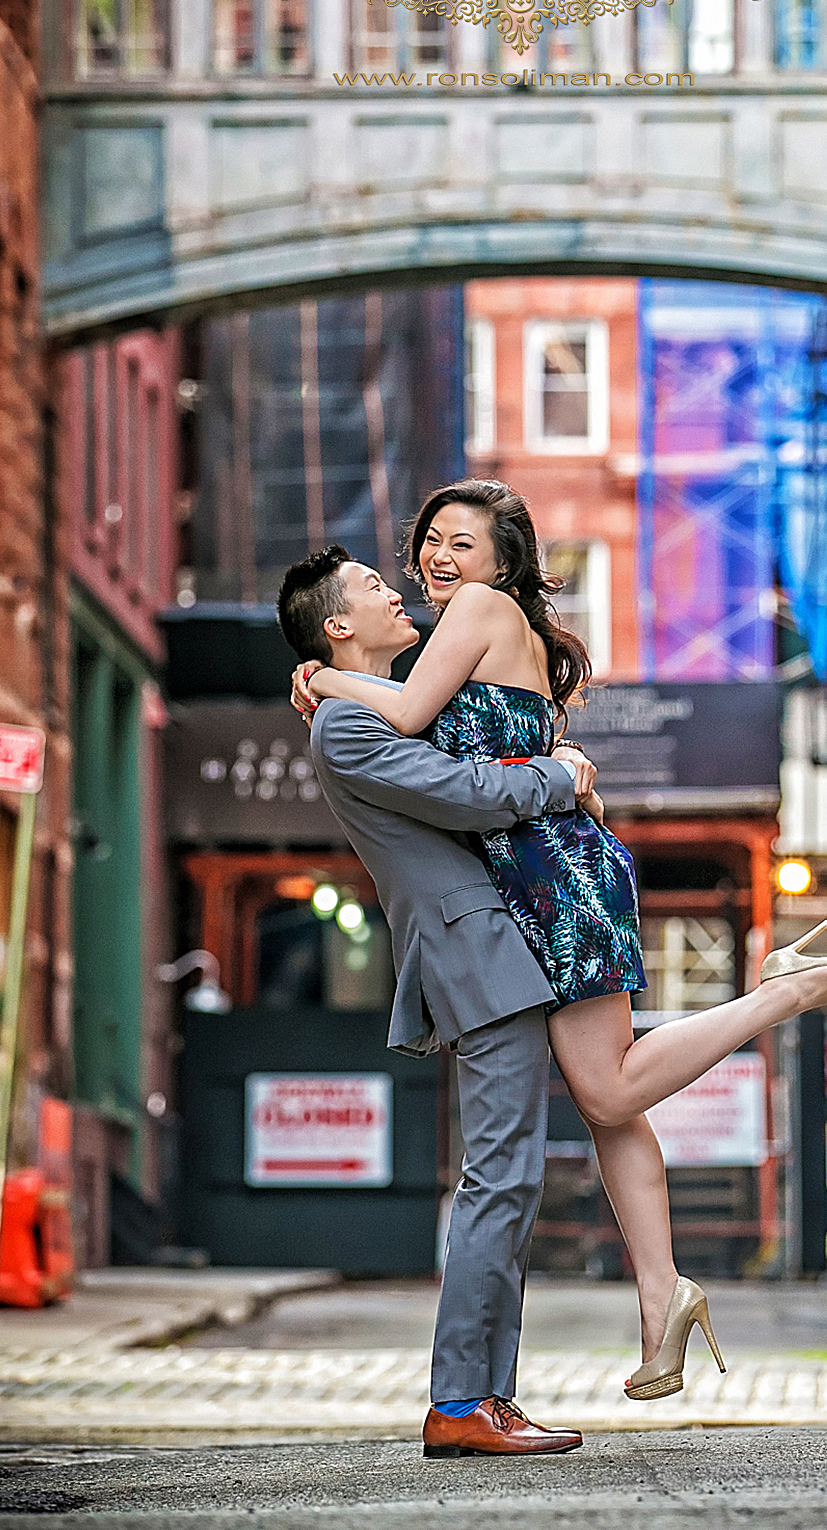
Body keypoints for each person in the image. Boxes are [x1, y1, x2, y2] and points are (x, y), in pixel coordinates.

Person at [290, 480, 827, 1402]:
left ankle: (785, 989)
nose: (438, 560)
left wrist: (326, 676)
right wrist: (559, 773)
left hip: (553, 878)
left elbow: (412, 725)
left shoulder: (477, 614)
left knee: (608, 1085)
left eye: (463, 543)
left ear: (502, 562)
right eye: (429, 544)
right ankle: (662, 1296)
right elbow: (449, 738)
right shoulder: (468, 633)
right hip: (536, 875)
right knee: (611, 1106)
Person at [276, 544, 592, 1460]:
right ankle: (460, 1400)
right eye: (375, 586)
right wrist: (561, 775)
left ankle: (487, 1396)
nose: (399, 588)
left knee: (511, 1179)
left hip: (488, 949)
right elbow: (467, 795)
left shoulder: (370, 706)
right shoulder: (344, 726)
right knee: (499, 1179)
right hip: (475, 951)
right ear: (338, 625)